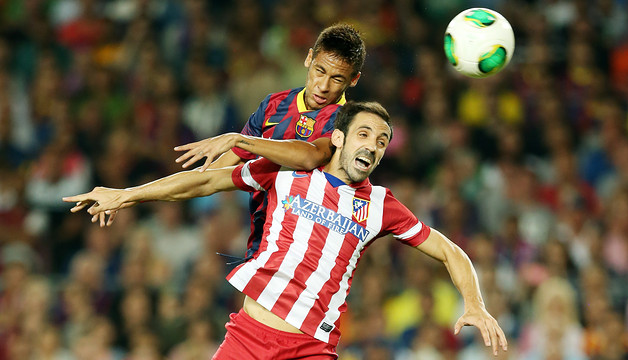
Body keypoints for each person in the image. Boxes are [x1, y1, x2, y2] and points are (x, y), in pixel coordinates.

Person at [64, 101, 508, 359]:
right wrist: (126, 194)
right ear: (337, 137)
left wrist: (476, 303)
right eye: (365, 134)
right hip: (249, 338)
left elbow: (452, 251)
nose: (372, 146)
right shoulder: (286, 172)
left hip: (311, 350)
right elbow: (204, 180)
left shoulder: (380, 206)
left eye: (382, 141)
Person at [96, 23, 365, 264]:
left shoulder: (349, 123)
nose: (323, 86)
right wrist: (127, 195)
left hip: (310, 257)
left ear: (353, 80)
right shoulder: (274, 105)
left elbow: (309, 157)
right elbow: (209, 177)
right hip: (264, 248)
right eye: (320, 71)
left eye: (337, 79)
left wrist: (241, 139)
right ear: (309, 58)